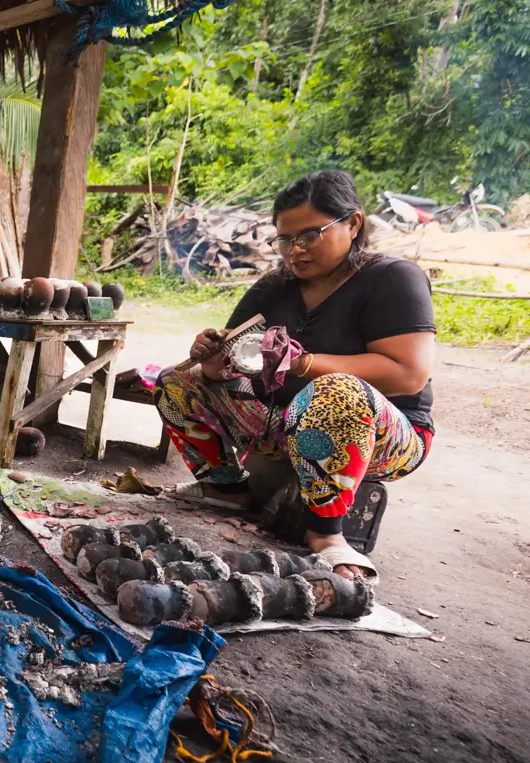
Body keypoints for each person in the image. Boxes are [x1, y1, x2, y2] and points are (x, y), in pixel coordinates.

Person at [152, 170, 436, 581]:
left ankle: (327, 534)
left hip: (385, 437)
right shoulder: (275, 286)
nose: (295, 251)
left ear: (353, 223)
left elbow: (409, 375)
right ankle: (226, 489)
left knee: (335, 391)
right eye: (285, 240)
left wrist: (305, 363)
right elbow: (229, 363)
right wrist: (211, 360)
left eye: (310, 235)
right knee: (176, 381)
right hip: (287, 422)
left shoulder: (393, 279)